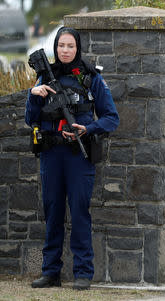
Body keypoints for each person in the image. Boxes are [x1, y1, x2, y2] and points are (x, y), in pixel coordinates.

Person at [25, 27, 119, 290]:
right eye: (61, 46)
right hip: (51, 154)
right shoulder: (43, 76)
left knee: (79, 212)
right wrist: (34, 97)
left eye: (70, 46)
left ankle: (83, 273)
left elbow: (112, 118)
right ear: (55, 48)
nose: (65, 51)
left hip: (79, 154)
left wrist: (88, 129)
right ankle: (50, 272)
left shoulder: (91, 78)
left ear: (78, 48)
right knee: (53, 211)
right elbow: (30, 119)